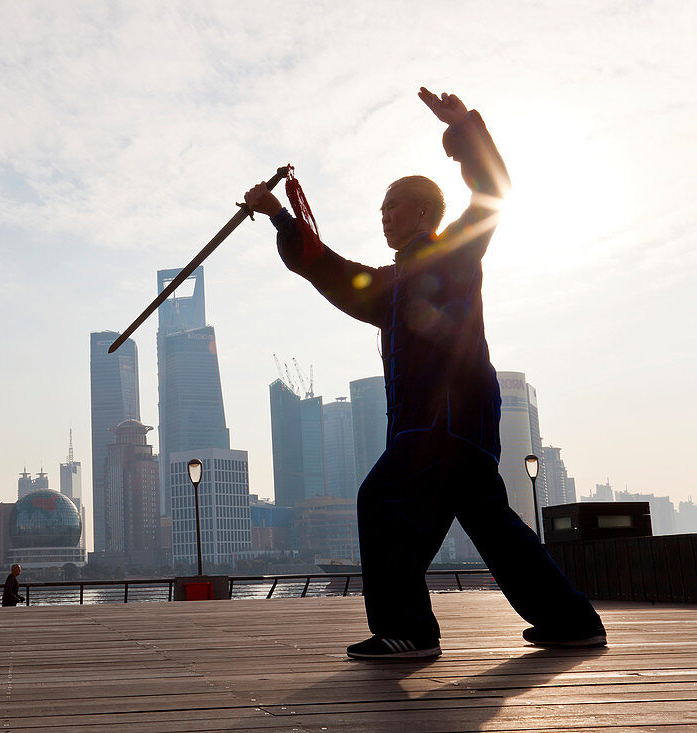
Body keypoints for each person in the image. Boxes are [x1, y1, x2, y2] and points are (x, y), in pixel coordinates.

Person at [244, 87, 605, 660]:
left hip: (443, 418)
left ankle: (407, 629)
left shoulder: (453, 253)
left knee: (382, 502)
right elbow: (333, 273)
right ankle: (569, 620)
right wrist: (280, 217)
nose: (383, 216)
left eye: (393, 206)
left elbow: (493, 193)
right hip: (453, 425)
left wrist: (465, 130)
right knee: (492, 525)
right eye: (380, 209)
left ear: (423, 213)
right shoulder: (391, 284)